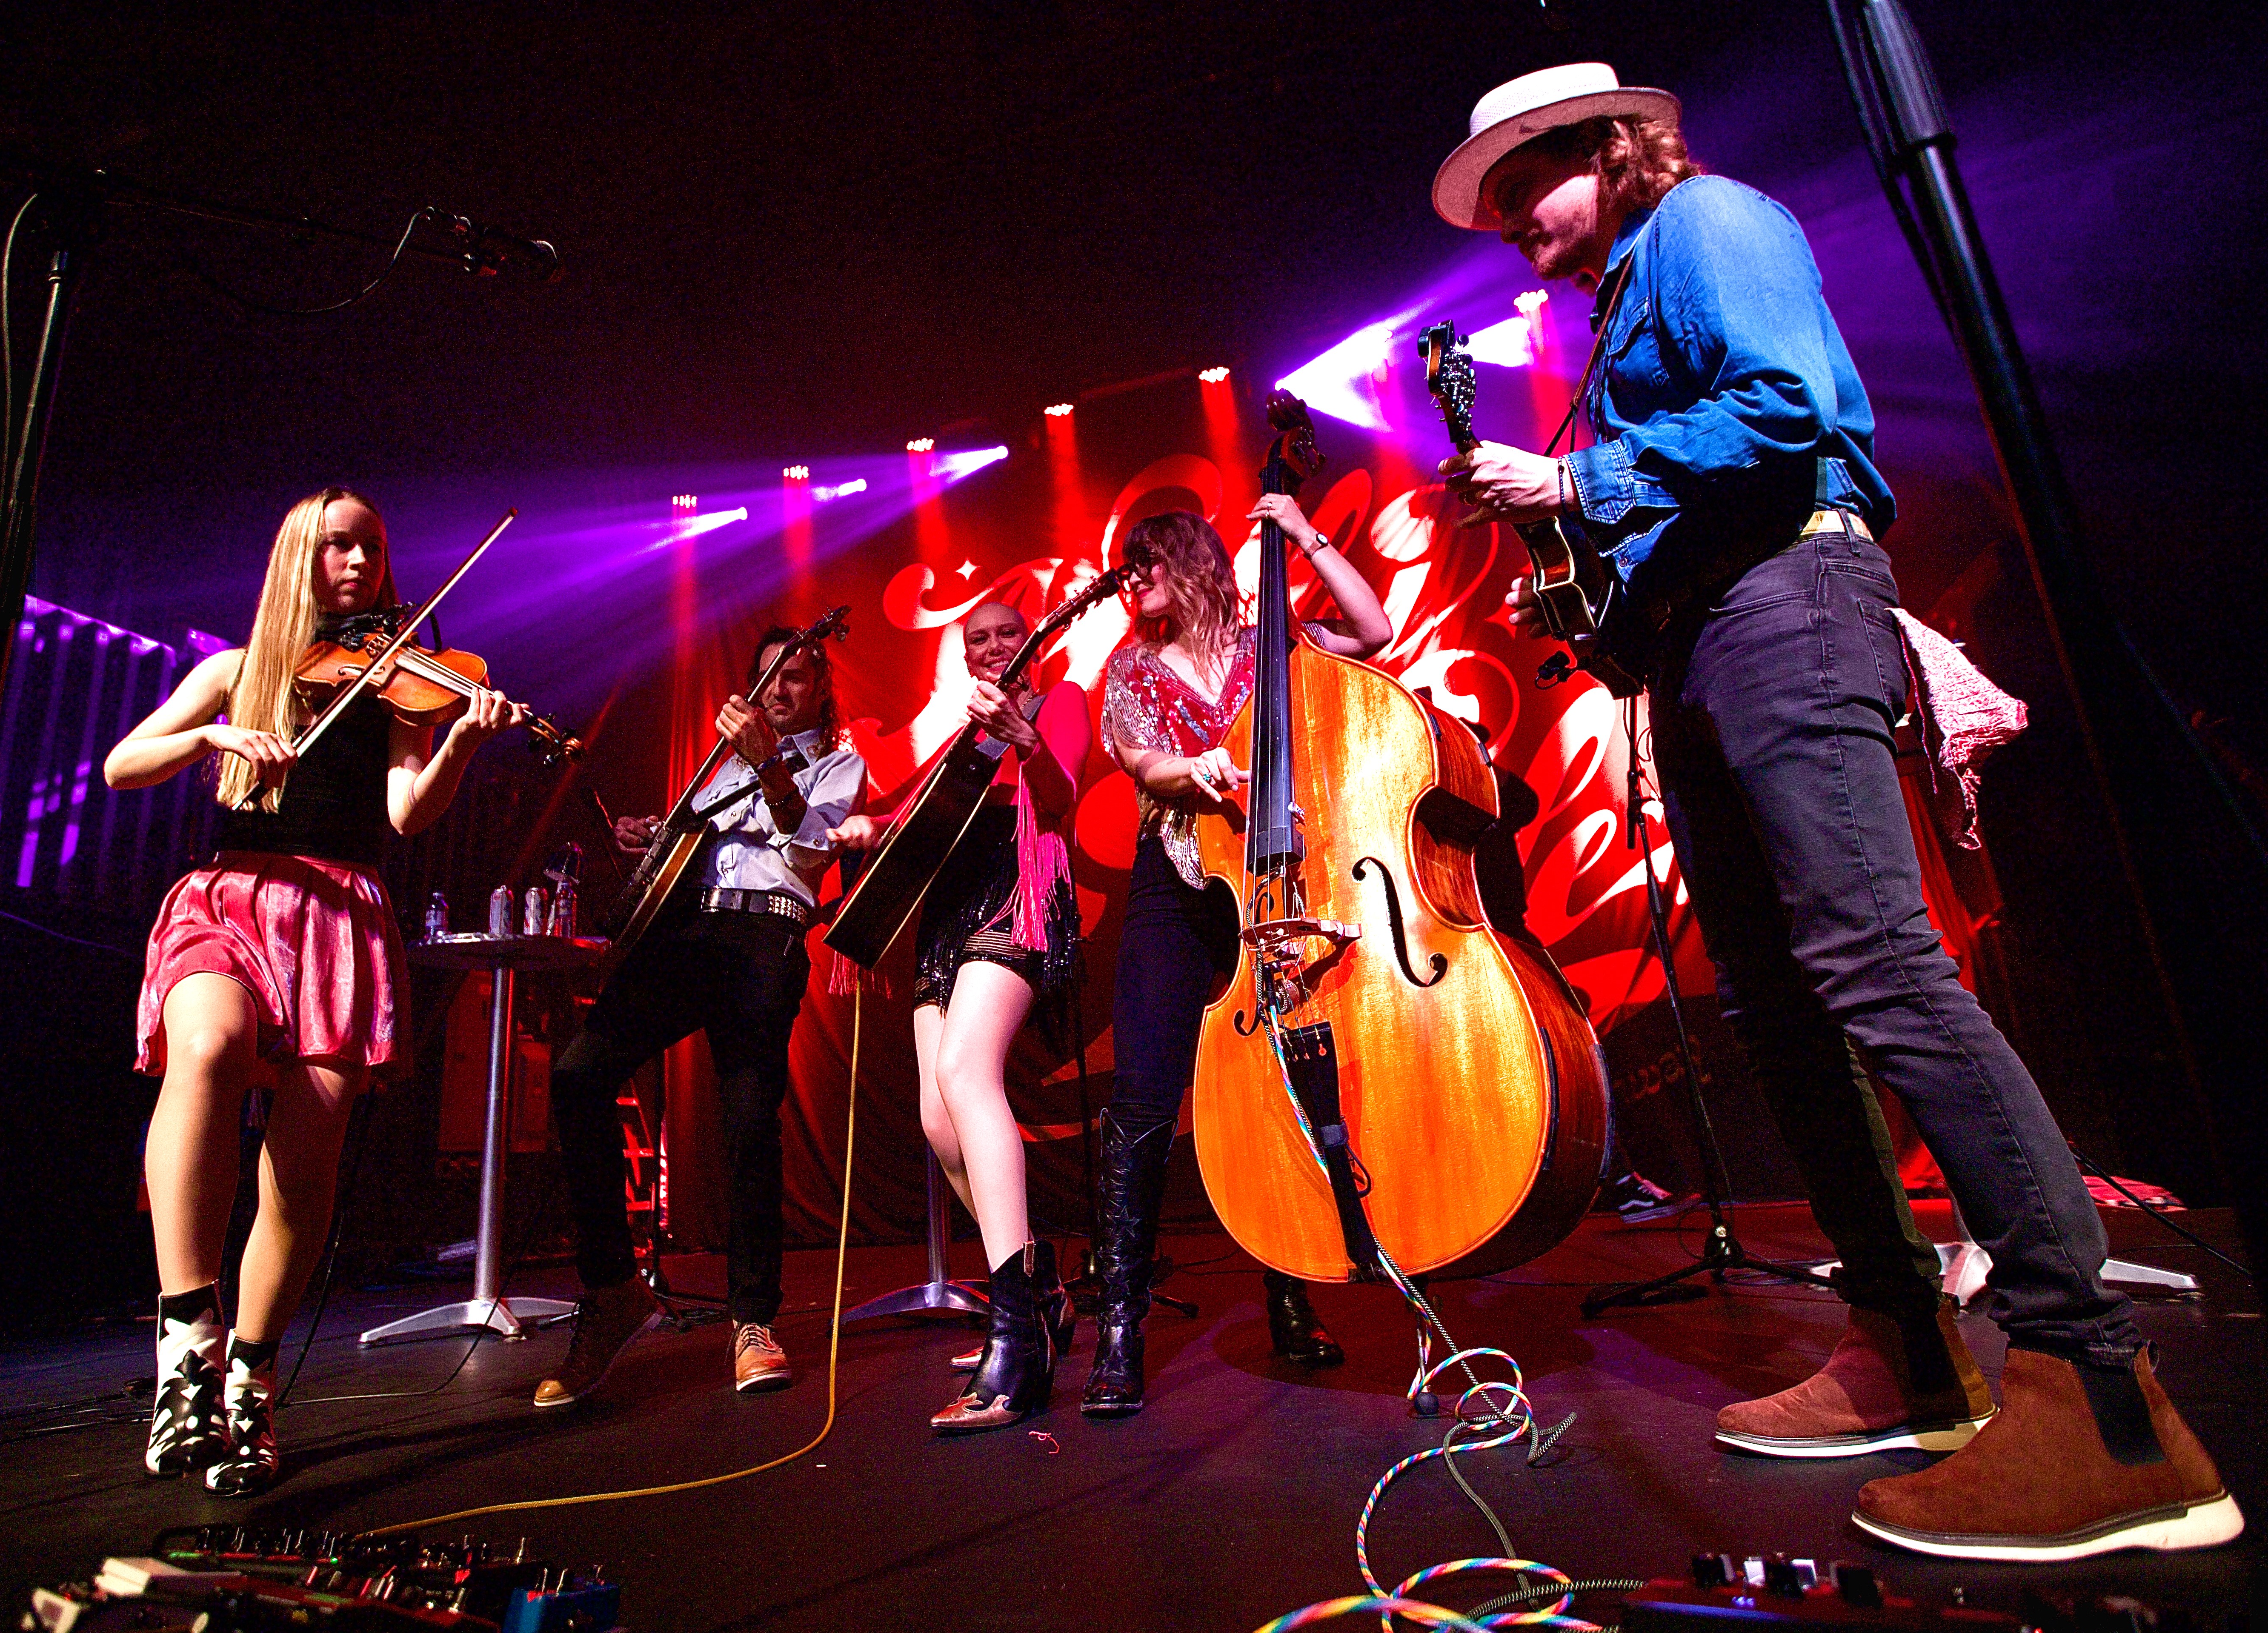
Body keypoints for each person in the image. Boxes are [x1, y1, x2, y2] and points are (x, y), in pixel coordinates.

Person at [1436, 63, 2240, 1557]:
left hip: (1787, 610)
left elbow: (1789, 403)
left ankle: (2103, 1403)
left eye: (1512, 190)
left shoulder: (1704, 221)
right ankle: (1904, 1350)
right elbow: (1668, 493)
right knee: (1777, 1006)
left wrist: (1580, 474)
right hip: (1707, 638)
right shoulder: (1617, 301)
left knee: (1874, 965)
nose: (1500, 227)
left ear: (1596, 147)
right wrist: (1591, 567)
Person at [105, 486, 523, 1496]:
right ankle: (185, 1336)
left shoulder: (392, 687)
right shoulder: (235, 671)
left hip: (337, 912)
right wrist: (213, 739)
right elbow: (125, 765)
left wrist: (461, 741)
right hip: (233, 897)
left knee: (305, 1152)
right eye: (337, 544)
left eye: (371, 546)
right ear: (300, 554)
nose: (358, 562)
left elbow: (408, 814)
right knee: (204, 1050)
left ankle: (249, 1375)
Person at [1087, 501, 1393, 1416]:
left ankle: (1289, 1289)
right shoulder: (1131, 666)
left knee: (1281, 1086)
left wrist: (1304, 533)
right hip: (1176, 884)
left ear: (1188, 561)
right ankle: (1117, 1325)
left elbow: (1376, 632)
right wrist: (1202, 766)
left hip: (1270, 878)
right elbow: (1145, 767)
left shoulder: (1277, 640)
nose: (1132, 581)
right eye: (1126, 569)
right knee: (1142, 1096)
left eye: (1144, 563)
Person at [535, 627, 864, 1406]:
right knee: (580, 1072)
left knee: (750, 1121)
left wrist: (767, 761)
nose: (779, 688)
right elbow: (696, 849)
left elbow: (810, 856)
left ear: (820, 689)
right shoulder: (719, 765)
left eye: (796, 676)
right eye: (767, 676)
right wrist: (654, 838)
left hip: (765, 936)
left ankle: (753, 1320)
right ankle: (614, 1290)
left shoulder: (837, 762)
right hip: (689, 933)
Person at [827, 599, 1090, 1433]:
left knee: (963, 1075)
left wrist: (1022, 730)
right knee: (939, 1121)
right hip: (944, 918)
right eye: (974, 639)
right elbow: (919, 824)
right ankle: (1039, 1287)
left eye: (1004, 633)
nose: (990, 647)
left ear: (1031, 641)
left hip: (1013, 897)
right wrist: (872, 826)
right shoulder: (955, 740)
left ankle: (1016, 1333)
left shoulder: (1061, 702)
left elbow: (1060, 795)